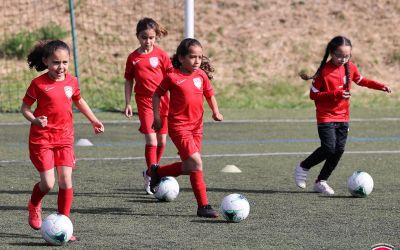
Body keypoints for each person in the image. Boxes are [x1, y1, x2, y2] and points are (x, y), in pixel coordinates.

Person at [21, 40, 104, 240]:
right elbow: (24, 108)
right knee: (48, 183)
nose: (61, 67)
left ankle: (64, 224)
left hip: (65, 138)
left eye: (65, 62)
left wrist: (94, 120)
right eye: (56, 62)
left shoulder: (72, 81)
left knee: (66, 180)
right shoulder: (38, 84)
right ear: (46, 61)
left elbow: (79, 100)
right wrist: (35, 120)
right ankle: (34, 204)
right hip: (42, 139)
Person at [295, 35, 391, 195]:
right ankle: (303, 166)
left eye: (347, 56)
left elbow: (362, 81)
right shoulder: (323, 72)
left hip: (343, 117)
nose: (343, 59)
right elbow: (313, 95)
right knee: (328, 148)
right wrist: (335, 94)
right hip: (326, 116)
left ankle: (321, 181)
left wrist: (380, 86)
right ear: (331, 53)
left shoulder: (350, 67)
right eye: (339, 55)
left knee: (338, 150)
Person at [151, 38, 223, 218]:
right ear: (181, 58)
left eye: (200, 57)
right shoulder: (172, 76)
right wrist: (158, 117)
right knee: (197, 163)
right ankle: (203, 206)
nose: (197, 61)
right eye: (192, 57)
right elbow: (156, 95)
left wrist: (215, 111)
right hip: (179, 127)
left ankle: (157, 171)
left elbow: (210, 94)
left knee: (190, 166)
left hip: (197, 128)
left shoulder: (201, 76)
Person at [124, 17, 172, 195]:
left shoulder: (161, 55)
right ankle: (153, 176)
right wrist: (128, 102)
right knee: (151, 140)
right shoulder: (133, 58)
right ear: (138, 36)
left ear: (155, 37)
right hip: (144, 102)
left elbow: (171, 77)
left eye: (151, 38)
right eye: (144, 37)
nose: (148, 41)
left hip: (163, 102)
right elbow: (128, 80)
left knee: (162, 141)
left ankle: (151, 172)